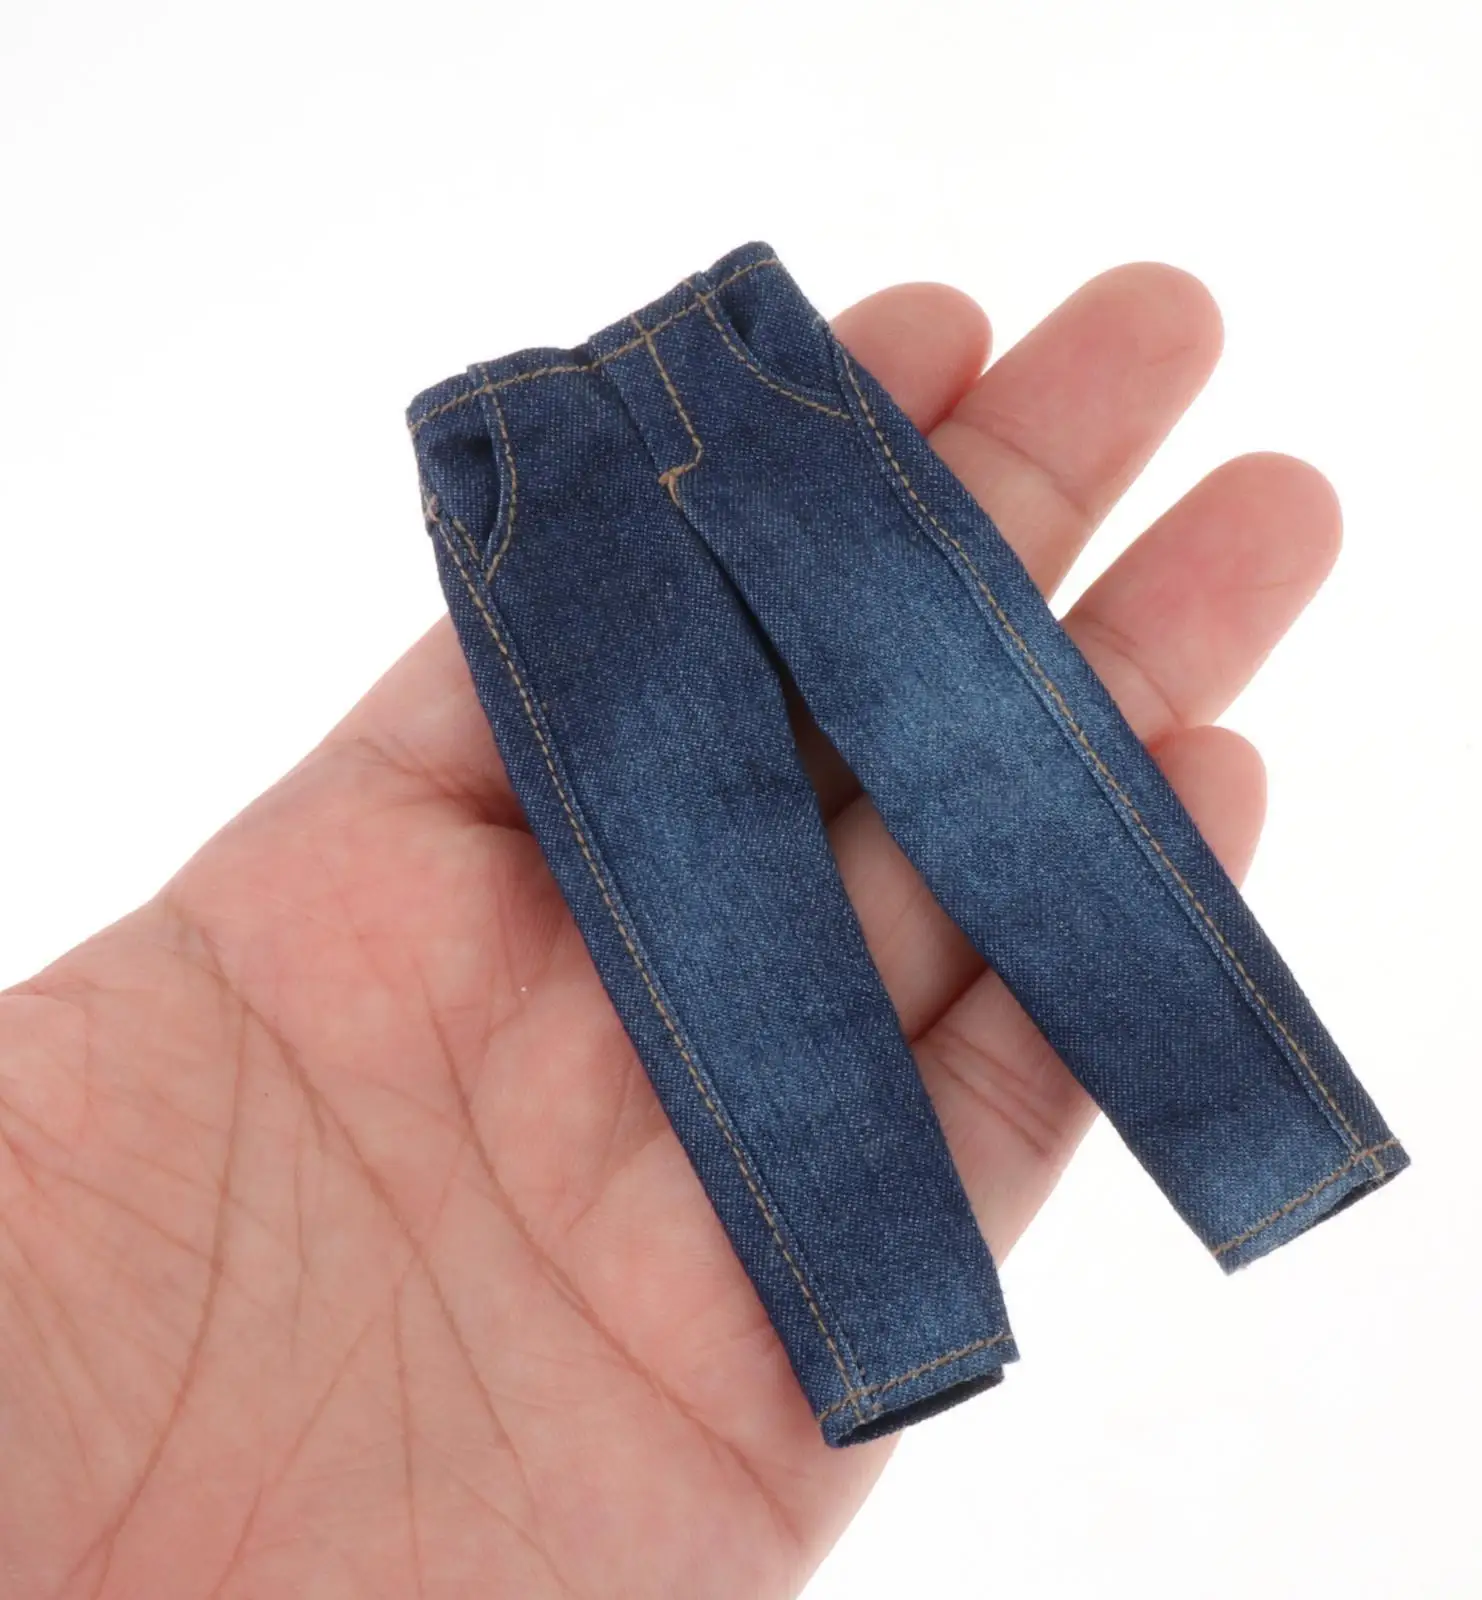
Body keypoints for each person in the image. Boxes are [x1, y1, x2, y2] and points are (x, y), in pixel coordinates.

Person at [0, 260, 1341, 1597]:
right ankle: (1201, 1177)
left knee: (806, 818)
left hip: (684, 412)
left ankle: (1169, 1192)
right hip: (654, 426)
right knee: (859, 796)